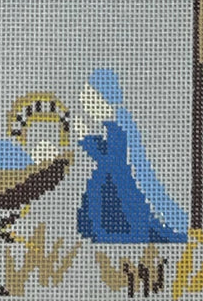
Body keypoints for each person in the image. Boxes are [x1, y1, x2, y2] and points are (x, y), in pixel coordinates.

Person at [75, 68, 188, 244]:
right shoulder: (115, 126)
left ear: (103, 100)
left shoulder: (118, 127)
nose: (84, 104)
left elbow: (112, 162)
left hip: (119, 203)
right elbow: (110, 153)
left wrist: (87, 139)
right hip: (115, 199)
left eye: (89, 97)